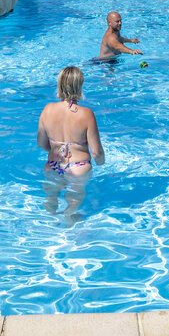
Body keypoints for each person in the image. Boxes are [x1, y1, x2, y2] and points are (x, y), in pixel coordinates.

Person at [37, 66, 104, 220]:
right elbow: (96, 152)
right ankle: (69, 223)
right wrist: (101, 163)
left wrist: (55, 149)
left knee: (50, 199)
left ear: (59, 84)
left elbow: (41, 143)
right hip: (78, 168)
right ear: (79, 85)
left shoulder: (47, 109)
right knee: (73, 205)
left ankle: (52, 223)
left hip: (53, 166)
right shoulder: (86, 114)